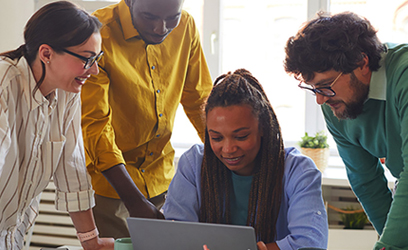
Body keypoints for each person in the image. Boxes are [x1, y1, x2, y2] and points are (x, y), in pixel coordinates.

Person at [81, 0, 213, 239]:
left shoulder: (186, 26)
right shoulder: (98, 34)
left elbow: (199, 101)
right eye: (149, 17)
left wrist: (223, 156)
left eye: (171, 17)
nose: (160, 28)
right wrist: (134, 200)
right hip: (111, 185)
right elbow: (95, 127)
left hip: (163, 177)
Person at [162, 69, 328, 250]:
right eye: (216, 138)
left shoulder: (299, 171)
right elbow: (175, 235)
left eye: (241, 136)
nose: (228, 149)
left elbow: (310, 243)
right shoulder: (193, 165)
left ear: (263, 128)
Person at [284, 11, 408, 250]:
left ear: (362, 63)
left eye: (325, 86)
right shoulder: (336, 105)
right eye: (313, 89)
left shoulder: (404, 76)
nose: (320, 100)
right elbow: (365, 181)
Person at [0, 1, 114, 250]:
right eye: (86, 59)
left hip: (13, 235)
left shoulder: (67, 92)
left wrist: (92, 243)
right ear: (46, 53)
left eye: (97, 58)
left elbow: (72, 171)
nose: (94, 70)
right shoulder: (4, 84)